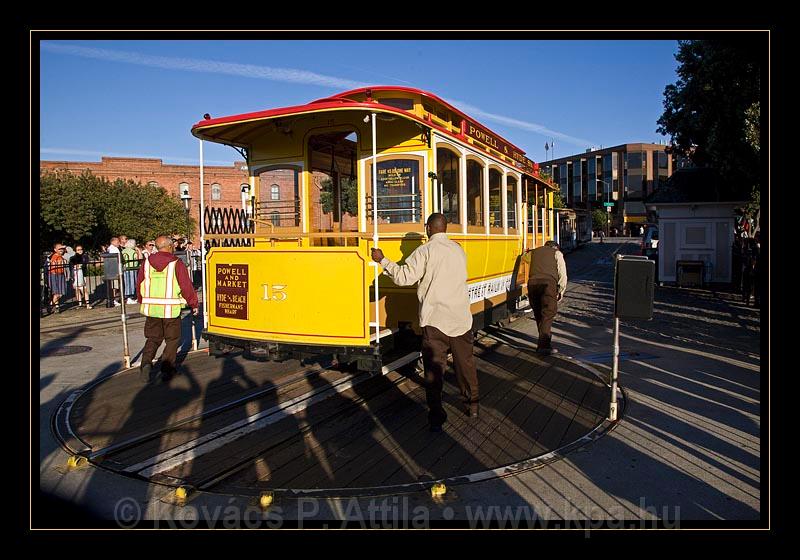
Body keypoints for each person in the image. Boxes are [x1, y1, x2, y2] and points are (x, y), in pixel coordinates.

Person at [371, 213, 479, 432]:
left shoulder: (424, 251)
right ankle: (473, 406)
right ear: (445, 228)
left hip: (435, 320)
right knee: (465, 365)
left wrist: (382, 260)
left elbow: (404, 277)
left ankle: (436, 417)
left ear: (428, 228)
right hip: (460, 319)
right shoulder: (459, 250)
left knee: (434, 370)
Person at [136, 235, 199, 385]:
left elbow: (140, 284)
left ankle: (146, 364)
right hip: (170, 309)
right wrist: (193, 303)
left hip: (152, 309)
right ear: (170, 247)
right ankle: (166, 369)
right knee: (172, 340)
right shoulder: (176, 263)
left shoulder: (146, 263)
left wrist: (141, 300)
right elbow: (186, 286)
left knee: (153, 338)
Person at [522, 240, 568, 355]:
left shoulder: (534, 253)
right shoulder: (557, 253)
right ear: (555, 247)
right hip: (548, 284)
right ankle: (544, 346)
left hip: (532, 283)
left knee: (539, 313)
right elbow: (562, 273)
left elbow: (524, 258)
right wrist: (561, 290)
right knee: (549, 312)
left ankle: (543, 343)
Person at [47, 243, 68, 313]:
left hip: (60, 274)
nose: (61, 250)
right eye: (59, 249)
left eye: (62, 249)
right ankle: (51, 305)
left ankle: (55, 306)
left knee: (59, 292)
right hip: (55, 275)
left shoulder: (60, 256)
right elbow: (53, 264)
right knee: (58, 293)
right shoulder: (55, 256)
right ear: (55, 250)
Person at [122, 238, 141, 304]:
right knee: (132, 283)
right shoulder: (133, 252)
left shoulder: (123, 251)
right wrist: (138, 250)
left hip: (125, 268)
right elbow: (140, 258)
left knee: (127, 283)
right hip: (132, 268)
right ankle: (130, 297)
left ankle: (128, 297)